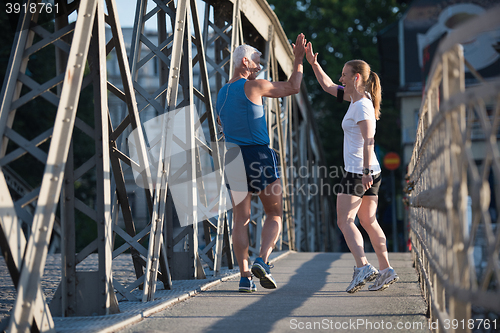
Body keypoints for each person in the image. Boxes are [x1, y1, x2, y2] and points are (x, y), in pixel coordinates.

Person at [305, 41, 399, 293]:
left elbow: (370, 139)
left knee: (345, 220)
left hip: (360, 171)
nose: (340, 78)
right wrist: (313, 63)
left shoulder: (362, 106)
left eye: (344, 75)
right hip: (368, 170)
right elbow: (326, 86)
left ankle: (363, 267)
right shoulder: (356, 98)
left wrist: (366, 170)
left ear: (355, 77)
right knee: (368, 221)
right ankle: (386, 269)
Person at [215, 34, 306, 292]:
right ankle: (262, 260)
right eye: (257, 62)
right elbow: (292, 87)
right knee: (274, 213)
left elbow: (223, 123)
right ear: (244, 62)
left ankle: (245, 277)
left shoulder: (221, 93)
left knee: (240, 219)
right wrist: (298, 59)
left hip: (233, 157)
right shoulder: (254, 87)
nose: (260, 67)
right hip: (258, 154)